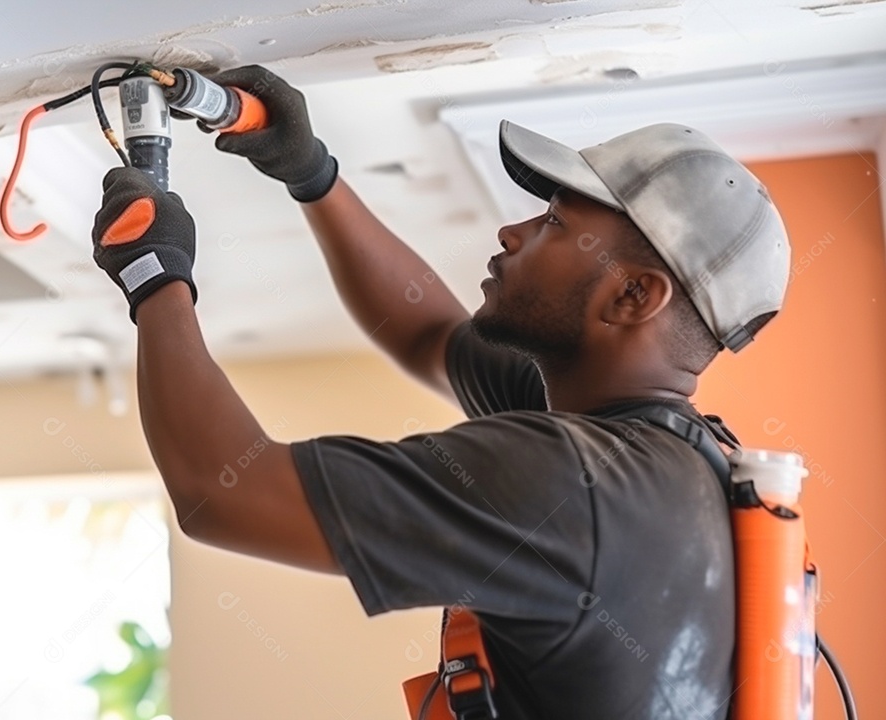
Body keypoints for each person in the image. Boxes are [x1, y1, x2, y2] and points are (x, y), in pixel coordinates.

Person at [90, 65, 791, 719]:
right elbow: (427, 334)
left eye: (554, 224)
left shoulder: (574, 486)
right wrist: (309, 172)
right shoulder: (661, 454)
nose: (512, 231)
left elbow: (226, 493)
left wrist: (155, 278)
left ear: (634, 294)